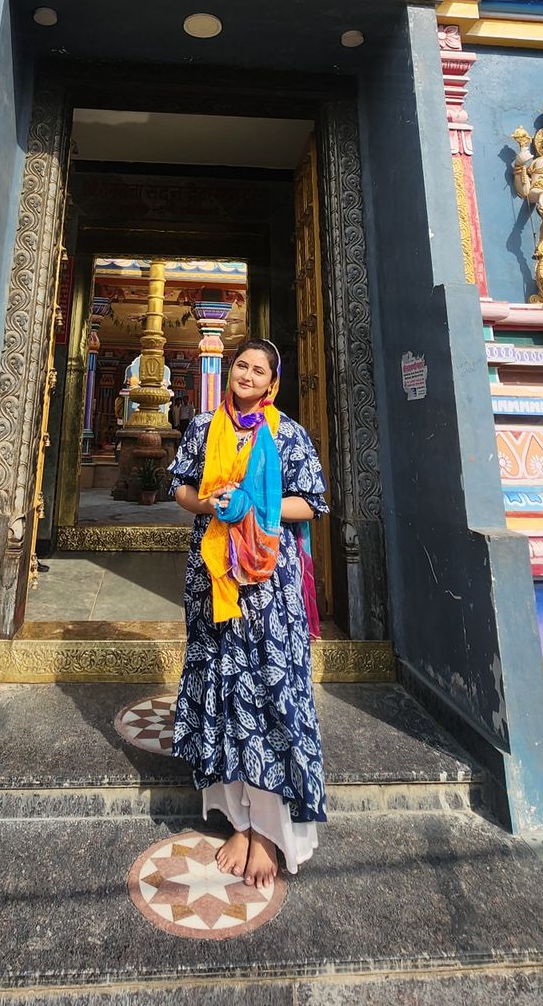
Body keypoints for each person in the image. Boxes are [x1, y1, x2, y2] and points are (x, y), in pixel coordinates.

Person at [169, 338, 327, 891]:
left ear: (272, 382)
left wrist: (255, 507)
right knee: (223, 687)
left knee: (268, 690)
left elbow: (311, 501)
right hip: (213, 579)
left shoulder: (286, 434)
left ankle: (269, 830)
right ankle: (238, 821)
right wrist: (210, 504)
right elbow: (183, 489)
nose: (248, 375)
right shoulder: (203, 429)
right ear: (230, 371)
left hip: (267, 584)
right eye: (242, 365)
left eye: (260, 370)